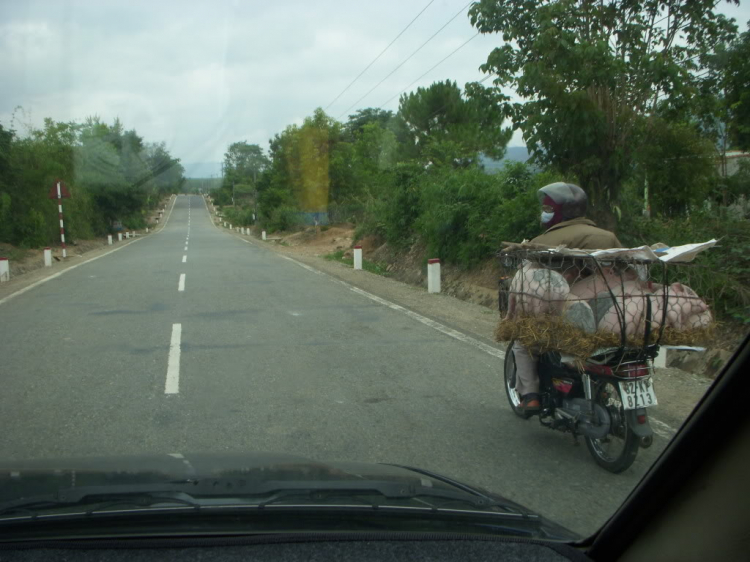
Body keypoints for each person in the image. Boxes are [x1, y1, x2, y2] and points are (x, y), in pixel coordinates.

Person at [515, 182, 622, 414]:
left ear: (561, 212)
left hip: (563, 312)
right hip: (608, 309)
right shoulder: (608, 237)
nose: (545, 213)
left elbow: (532, 281)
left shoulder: (544, 241)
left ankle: (531, 395)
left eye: (548, 209)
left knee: (523, 341)